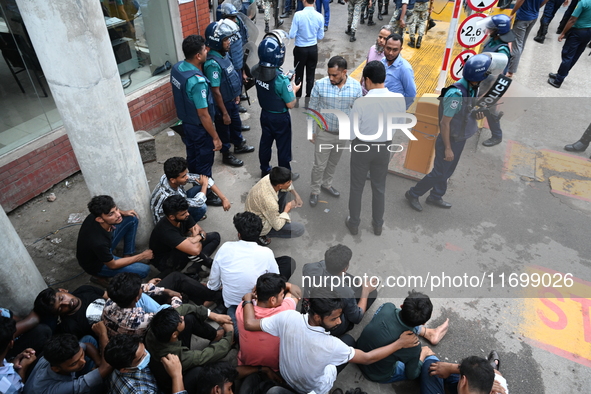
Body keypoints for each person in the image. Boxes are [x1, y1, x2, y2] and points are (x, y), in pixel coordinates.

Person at [242, 291, 421, 394]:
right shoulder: (332, 346)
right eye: (334, 318)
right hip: (309, 388)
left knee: (348, 341)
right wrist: (398, 344)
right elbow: (366, 358)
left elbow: (250, 323)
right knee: (347, 344)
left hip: (286, 375)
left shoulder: (288, 317)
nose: (339, 322)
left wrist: (248, 299)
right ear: (318, 316)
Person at [405, 54, 490, 211]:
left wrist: (478, 113)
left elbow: (466, 111)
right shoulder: (456, 95)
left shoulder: (472, 87)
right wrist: (448, 148)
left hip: (459, 137)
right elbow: (445, 123)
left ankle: (436, 196)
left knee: (447, 170)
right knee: (439, 172)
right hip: (449, 140)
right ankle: (413, 193)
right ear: (477, 77)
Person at [207, 212, 296, 334]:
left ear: (239, 234)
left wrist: (220, 286)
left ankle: (228, 317)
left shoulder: (225, 248)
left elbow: (213, 284)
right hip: (258, 302)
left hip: (231, 302)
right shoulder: (266, 253)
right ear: (259, 234)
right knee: (288, 262)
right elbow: (276, 282)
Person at [346, 61, 406, 236]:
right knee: (379, 187)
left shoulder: (361, 103)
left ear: (367, 80)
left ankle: (354, 223)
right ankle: (377, 225)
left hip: (362, 147)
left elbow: (351, 133)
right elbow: (399, 125)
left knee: (357, 187)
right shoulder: (399, 99)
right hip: (384, 146)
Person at [356, 291, 449, 383]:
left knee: (404, 320)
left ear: (401, 306)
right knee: (428, 361)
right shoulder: (412, 345)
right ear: (424, 323)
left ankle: (428, 333)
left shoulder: (387, 307)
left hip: (357, 354)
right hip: (377, 374)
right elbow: (412, 375)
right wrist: (422, 355)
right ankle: (428, 333)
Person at [308, 56, 363, 207]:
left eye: (335, 75)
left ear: (344, 72)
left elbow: (358, 112)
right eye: (329, 74)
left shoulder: (355, 87)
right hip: (324, 133)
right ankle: (314, 191)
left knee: (333, 163)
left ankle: (326, 184)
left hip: (342, 134)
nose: (331, 78)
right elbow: (312, 108)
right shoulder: (320, 85)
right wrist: (310, 131)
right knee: (319, 165)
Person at [144, 307, 234, 394]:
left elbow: (184, 308)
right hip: (171, 382)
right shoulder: (175, 356)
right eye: (180, 319)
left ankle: (215, 335)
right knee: (198, 371)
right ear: (174, 334)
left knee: (189, 318)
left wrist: (214, 316)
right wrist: (229, 335)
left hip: (168, 345)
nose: (182, 317)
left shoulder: (157, 327)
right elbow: (207, 355)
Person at [204, 21, 255, 168]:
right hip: (223, 104)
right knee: (224, 129)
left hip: (231, 100)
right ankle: (226, 154)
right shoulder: (213, 64)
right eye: (225, 40)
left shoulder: (224, 55)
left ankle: (238, 145)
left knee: (236, 124)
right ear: (216, 42)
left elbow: (232, 75)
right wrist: (224, 112)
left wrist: (236, 94)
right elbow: (215, 90)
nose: (229, 42)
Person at [170, 35, 222, 178]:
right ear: (198, 56)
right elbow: (203, 114)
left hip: (185, 123)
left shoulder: (177, 69)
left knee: (192, 156)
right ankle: (205, 193)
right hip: (199, 128)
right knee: (204, 160)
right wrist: (215, 137)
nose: (207, 52)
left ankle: (192, 182)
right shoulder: (197, 82)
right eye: (205, 50)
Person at [251, 31, 301, 177]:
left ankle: (264, 168)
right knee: (283, 147)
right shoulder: (282, 80)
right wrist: (293, 89)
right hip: (280, 119)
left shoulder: (257, 72)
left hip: (265, 114)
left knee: (265, 143)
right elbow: (291, 104)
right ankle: (285, 174)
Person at [302, 245, 377, 336]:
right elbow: (357, 317)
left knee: (353, 281)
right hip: (326, 325)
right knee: (372, 293)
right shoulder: (345, 292)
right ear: (345, 268)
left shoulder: (308, 268)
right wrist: (366, 291)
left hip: (309, 309)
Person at [77, 195, 152, 283]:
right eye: (111, 214)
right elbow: (113, 265)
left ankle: (127, 256)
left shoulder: (95, 215)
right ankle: (98, 277)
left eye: (116, 209)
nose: (118, 215)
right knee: (144, 270)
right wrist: (142, 256)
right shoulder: (98, 242)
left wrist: (123, 212)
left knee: (132, 219)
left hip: (105, 246)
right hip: (98, 264)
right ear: (99, 219)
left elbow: (114, 212)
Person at [235, 273, 301, 371]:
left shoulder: (241, 307)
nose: (283, 297)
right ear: (273, 300)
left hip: (247, 364)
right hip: (276, 367)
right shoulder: (285, 310)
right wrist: (288, 285)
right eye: (282, 295)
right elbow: (297, 292)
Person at [149, 195, 221, 278]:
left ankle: (195, 267)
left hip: (178, 246)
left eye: (186, 211)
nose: (188, 214)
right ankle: (211, 264)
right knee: (193, 250)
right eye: (183, 213)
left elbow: (201, 231)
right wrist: (194, 239)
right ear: (171, 217)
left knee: (215, 236)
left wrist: (197, 237)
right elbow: (196, 250)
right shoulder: (166, 230)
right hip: (167, 261)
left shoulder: (184, 215)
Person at [150, 157, 231, 225]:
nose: (187, 177)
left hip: (181, 197)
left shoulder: (169, 177)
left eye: (186, 174)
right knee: (202, 208)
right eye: (183, 176)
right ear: (173, 180)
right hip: (170, 222)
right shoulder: (168, 196)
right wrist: (204, 185)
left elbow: (206, 179)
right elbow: (198, 202)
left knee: (203, 185)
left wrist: (223, 198)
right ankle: (186, 230)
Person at [23, 333, 112, 394]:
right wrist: (102, 333)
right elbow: (107, 366)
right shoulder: (54, 390)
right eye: (74, 363)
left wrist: (99, 363)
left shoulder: (57, 354)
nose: (83, 361)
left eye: (82, 355)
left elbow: (87, 345)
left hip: (68, 377)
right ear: (56, 368)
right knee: (102, 382)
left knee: (88, 338)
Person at [103, 333, 188, 394]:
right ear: (124, 370)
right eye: (141, 357)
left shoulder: (118, 363)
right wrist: (176, 375)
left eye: (144, 350)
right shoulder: (139, 391)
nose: (146, 354)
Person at [480, 14, 515, 147]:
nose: (488, 30)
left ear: (498, 31)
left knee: (490, 109)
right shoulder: (492, 39)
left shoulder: (502, 49)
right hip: (482, 79)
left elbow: (497, 73)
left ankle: (497, 136)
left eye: (491, 29)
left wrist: (489, 93)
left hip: (491, 83)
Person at [244, 167, 305, 241]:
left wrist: (296, 195)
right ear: (280, 186)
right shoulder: (270, 203)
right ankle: (262, 235)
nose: (291, 182)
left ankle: (278, 216)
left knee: (284, 190)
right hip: (258, 224)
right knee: (300, 229)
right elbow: (277, 226)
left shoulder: (269, 178)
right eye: (288, 182)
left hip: (255, 209)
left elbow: (287, 187)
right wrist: (287, 209)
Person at [34, 285, 107, 339]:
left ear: (62, 290)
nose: (66, 303)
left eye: (62, 298)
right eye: (60, 308)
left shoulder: (84, 290)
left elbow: (108, 295)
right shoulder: (70, 327)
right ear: (57, 314)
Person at [547, 0, 591, 88]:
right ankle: (560, 74)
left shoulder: (583, 2)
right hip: (588, 32)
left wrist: (563, 33)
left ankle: (558, 80)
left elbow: (572, 19)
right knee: (575, 55)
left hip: (578, 32)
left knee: (567, 55)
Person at [422, 353, 509, 394]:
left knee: (431, 367)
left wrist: (450, 367)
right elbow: (496, 373)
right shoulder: (500, 389)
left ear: (463, 381)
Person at [289, 0, 325, 96]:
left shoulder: (298, 15)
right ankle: (308, 98)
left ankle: (297, 97)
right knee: (310, 75)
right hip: (313, 48)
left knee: (298, 74)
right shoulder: (319, 16)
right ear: (314, 1)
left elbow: (292, 34)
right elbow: (320, 36)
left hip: (300, 49)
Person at [507, 0, 549, 77]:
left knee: (516, 44)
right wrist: (536, 7)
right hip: (534, 15)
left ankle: (510, 71)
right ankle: (514, 63)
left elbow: (520, 0)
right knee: (521, 42)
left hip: (523, 16)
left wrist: (512, 13)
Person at [0, 316, 37, 394]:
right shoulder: (11, 387)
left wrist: (11, 362)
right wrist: (22, 368)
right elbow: (18, 390)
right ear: (11, 343)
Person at [381, 33, 416, 109]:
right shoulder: (382, 62)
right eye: (388, 48)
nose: (390, 53)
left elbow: (411, 94)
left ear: (400, 49)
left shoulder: (405, 68)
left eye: (395, 50)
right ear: (384, 46)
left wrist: (401, 109)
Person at [362, 25, 397, 94]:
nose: (381, 40)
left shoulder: (391, 57)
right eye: (380, 37)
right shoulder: (372, 49)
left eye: (385, 38)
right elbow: (366, 68)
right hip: (364, 92)